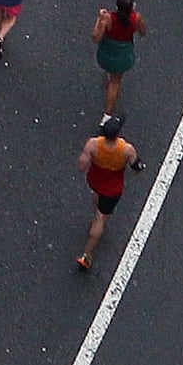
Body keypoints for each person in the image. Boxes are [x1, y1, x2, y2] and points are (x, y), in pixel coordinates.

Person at [76, 115, 140, 269]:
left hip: (95, 179)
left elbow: (81, 165)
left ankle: (96, 216)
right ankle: (87, 255)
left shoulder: (93, 144)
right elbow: (136, 166)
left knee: (97, 196)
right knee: (101, 217)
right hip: (112, 188)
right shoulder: (126, 149)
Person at [93, 0, 147, 112]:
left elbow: (96, 38)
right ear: (132, 5)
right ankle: (107, 113)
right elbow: (143, 32)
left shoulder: (108, 19)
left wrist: (99, 18)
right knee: (115, 82)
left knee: (110, 72)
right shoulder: (136, 18)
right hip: (123, 57)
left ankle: (108, 73)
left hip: (106, 55)